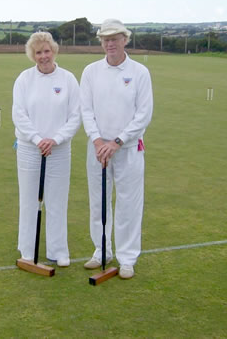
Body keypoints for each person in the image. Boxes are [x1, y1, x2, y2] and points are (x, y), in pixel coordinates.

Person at [79, 19, 153, 279]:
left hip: (128, 149)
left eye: (115, 38)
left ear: (125, 40)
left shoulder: (140, 72)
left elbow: (143, 114)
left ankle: (127, 258)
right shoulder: (90, 71)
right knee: (98, 202)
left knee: (128, 204)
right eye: (105, 39)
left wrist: (117, 142)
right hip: (97, 148)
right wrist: (99, 141)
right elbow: (85, 110)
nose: (110, 43)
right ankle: (101, 250)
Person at [12, 31, 81, 267]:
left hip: (59, 150)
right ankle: (28, 250)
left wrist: (55, 139)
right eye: (39, 52)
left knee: (57, 200)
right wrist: (37, 138)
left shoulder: (68, 79)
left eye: (47, 51)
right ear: (33, 55)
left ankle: (58, 250)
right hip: (30, 149)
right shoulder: (24, 79)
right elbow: (19, 114)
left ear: (54, 51)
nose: (44, 56)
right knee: (30, 199)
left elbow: (75, 116)